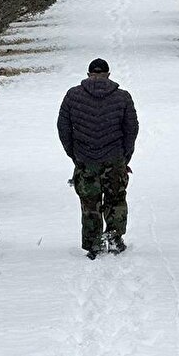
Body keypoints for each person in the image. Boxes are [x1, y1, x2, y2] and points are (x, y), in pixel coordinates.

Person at [57, 58, 139, 259]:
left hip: (85, 159)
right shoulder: (123, 97)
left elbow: (63, 128)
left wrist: (75, 155)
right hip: (114, 158)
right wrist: (124, 157)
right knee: (116, 200)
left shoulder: (72, 96)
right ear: (108, 75)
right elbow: (131, 130)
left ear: (88, 75)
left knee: (89, 204)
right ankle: (114, 239)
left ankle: (93, 244)